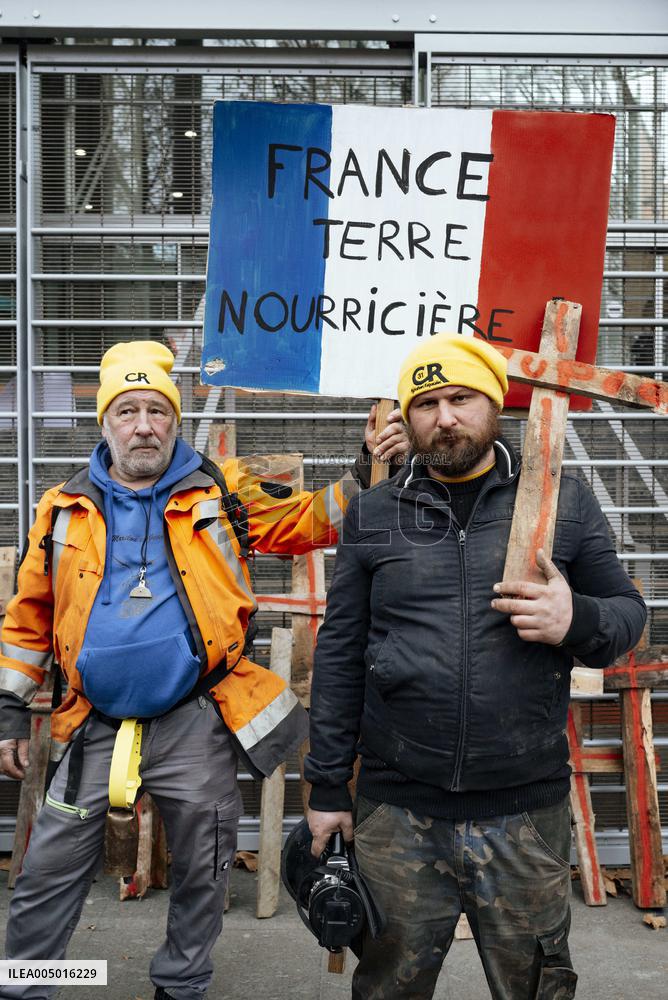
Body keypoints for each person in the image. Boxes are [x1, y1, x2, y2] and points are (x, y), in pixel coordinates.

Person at [0, 339, 407, 1000]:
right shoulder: (60, 510)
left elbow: (307, 522)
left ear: (176, 418)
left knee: (204, 868)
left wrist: (368, 469)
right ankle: (27, 988)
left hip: (195, 715)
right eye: (127, 410)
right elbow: (27, 617)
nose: (143, 425)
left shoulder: (220, 490)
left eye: (156, 409)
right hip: (92, 723)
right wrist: (10, 705)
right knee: (47, 871)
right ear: (104, 423)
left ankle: (179, 987)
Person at [305, 333, 647, 1000]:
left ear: (495, 404)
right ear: (408, 418)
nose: (445, 417)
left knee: (537, 987)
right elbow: (341, 653)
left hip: (524, 814)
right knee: (387, 987)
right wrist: (323, 790)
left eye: (461, 398)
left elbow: (630, 616)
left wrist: (573, 619)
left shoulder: (559, 505)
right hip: (397, 814)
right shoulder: (374, 514)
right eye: (426, 403)